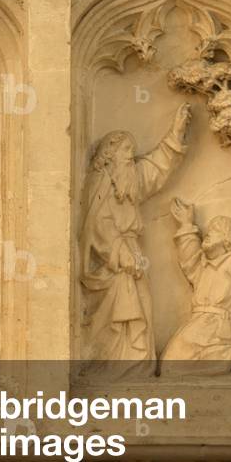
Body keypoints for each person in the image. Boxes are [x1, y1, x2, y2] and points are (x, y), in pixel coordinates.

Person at [80, 104, 191, 372]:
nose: (132, 157)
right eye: (127, 152)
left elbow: (155, 168)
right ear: (110, 157)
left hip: (131, 255)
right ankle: (112, 369)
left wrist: (176, 133)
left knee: (141, 308)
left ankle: (134, 368)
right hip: (114, 264)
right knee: (118, 317)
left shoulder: (129, 180)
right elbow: (97, 224)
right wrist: (120, 252)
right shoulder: (102, 184)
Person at [161, 198, 231, 376]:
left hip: (220, 328)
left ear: (228, 240)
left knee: (170, 367)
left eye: (215, 231)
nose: (208, 233)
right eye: (208, 230)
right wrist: (186, 226)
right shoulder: (205, 265)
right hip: (199, 325)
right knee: (168, 366)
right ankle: (229, 360)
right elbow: (189, 260)